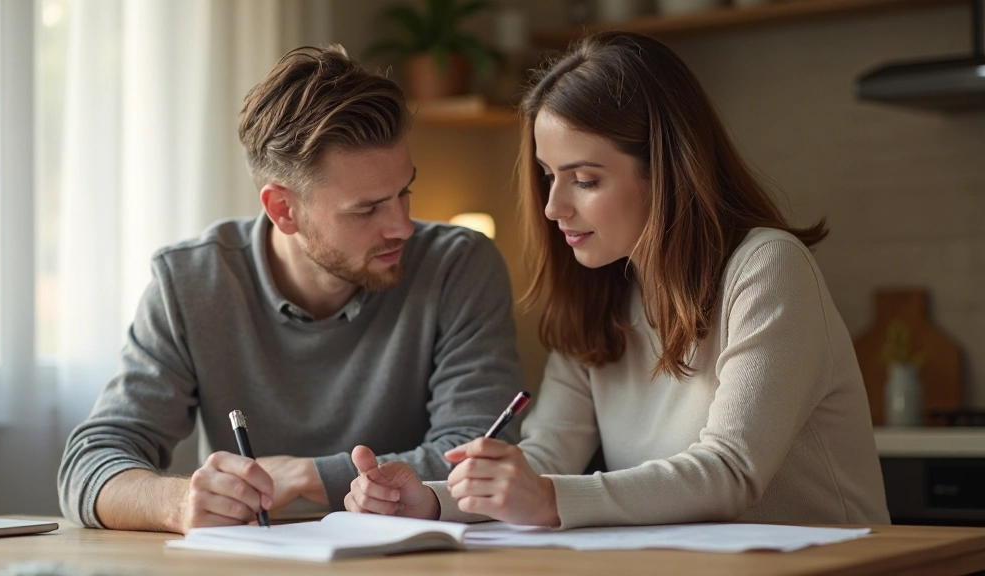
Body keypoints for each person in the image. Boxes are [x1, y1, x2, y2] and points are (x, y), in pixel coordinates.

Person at [344, 32, 890, 529]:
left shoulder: (768, 268)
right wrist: (432, 500)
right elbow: (544, 459)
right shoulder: (603, 293)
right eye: (548, 176)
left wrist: (549, 499)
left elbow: (730, 473)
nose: (555, 206)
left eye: (584, 179)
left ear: (668, 169)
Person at [57, 45, 523, 534]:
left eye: (404, 192)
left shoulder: (458, 265)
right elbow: (89, 464)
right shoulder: (190, 283)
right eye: (367, 210)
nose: (402, 226)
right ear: (283, 209)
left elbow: (481, 452)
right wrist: (179, 503)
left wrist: (309, 476)